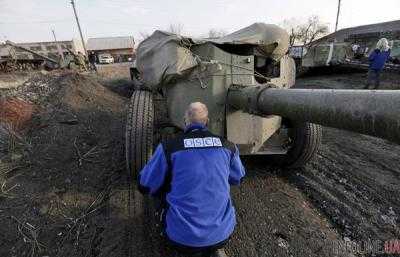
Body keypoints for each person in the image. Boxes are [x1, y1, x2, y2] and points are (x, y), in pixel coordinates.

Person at [138, 102, 245, 257]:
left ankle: (185, 242)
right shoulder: (228, 146)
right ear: (207, 122)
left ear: (185, 122)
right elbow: (238, 178)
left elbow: (144, 185)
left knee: (158, 190)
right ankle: (213, 244)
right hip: (222, 234)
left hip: (181, 239)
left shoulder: (169, 147)